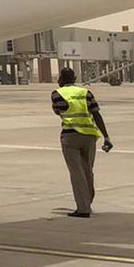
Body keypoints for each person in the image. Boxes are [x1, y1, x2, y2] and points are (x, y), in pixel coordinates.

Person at [51, 67, 113, 217]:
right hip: (90, 135)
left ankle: (83, 208)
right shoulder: (86, 93)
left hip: (70, 136)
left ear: (61, 79)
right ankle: (87, 202)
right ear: (75, 77)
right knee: (87, 171)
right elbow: (97, 114)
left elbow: (58, 111)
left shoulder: (57, 94)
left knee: (76, 173)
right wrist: (106, 136)